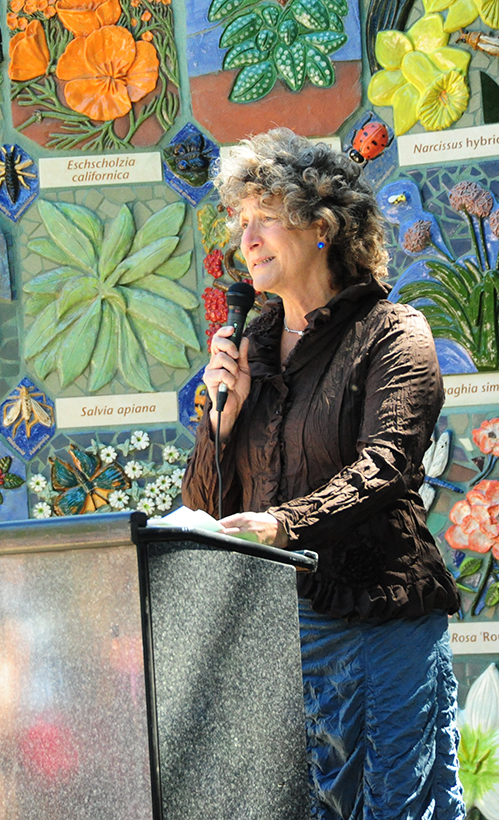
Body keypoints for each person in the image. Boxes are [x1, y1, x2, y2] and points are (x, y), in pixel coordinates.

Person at [181, 128, 463, 820]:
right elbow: (206, 507)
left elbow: (386, 467)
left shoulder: (393, 334)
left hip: (377, 621)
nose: (245, 238)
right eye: (240, 222)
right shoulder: (249, 350)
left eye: (265, 218)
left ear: (321, 228)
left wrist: (283, 523)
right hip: (275, 638)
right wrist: (218, 426)